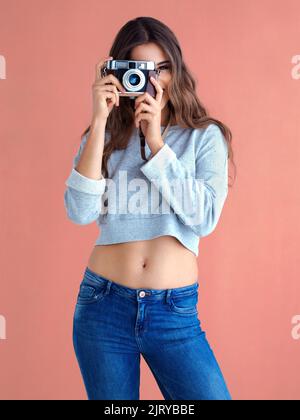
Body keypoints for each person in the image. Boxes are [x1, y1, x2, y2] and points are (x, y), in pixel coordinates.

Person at [64, 16, 236, 400]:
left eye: (162, 69)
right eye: (140, 69)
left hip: (173, 312)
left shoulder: (204, 137)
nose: (153, 81)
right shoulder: (105, 136)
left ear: (177, 68)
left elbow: (204, 217)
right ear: (118, 72)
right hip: (102, 307)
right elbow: (79, 211)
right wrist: (98, 119)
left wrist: (157, 143)